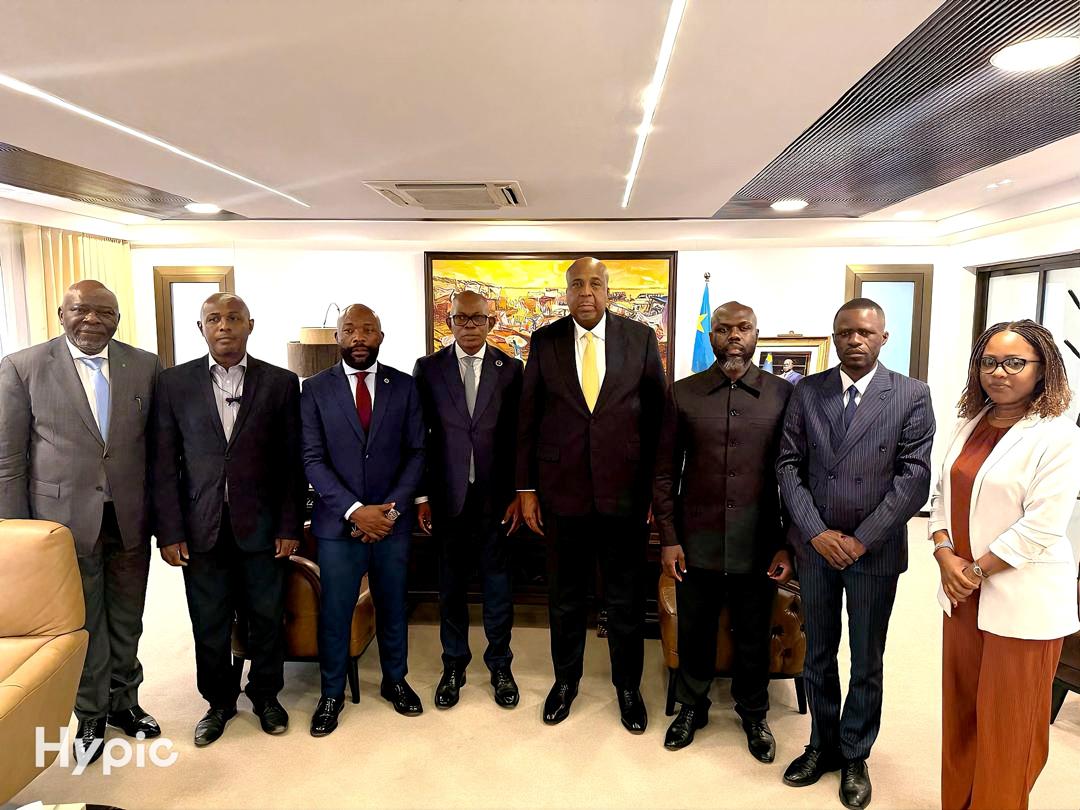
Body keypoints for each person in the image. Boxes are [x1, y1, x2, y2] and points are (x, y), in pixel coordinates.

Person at [776, 298, 934, 809]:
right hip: (816, 547)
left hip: (874, 549)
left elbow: (914, 479)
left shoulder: (910, 394)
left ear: (884, 337)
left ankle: (855, 753)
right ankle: (822, 744)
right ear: (834, 337)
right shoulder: (808, 391)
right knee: (818, 653)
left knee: (867, 658)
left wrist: (862, 538)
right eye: (846, 332)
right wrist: (817, 532)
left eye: (866, 332)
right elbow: (788, 466)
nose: (855, 340)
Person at [0, 280, 161, 764]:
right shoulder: (23, 367)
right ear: (61, 313)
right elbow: (9, 459)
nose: (92, 319)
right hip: (61, 523)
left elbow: (157, 448)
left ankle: (125, 701)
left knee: (128, 616)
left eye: (104, 312)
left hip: (129, 517)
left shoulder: (145, 365)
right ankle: (90, 711)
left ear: (117, 319)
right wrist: (20, 534)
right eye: (81, 310)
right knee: (83, 621)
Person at [930, 320, 1080, 810]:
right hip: (961, 598)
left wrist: (974, 571)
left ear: (1042, 369)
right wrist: (943, 553)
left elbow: (1042, 526)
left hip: (1020, 601)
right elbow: (941, 497)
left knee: (1011, 726)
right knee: (963, 715)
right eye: (989, 362)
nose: (999, 372)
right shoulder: (969, 422)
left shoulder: (1058, 435)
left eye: (1015, 363)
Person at [517, 257, 666, 732]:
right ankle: (566, 682)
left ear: (607, 291)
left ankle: (628, 687)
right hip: (561, 494)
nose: (586, 292)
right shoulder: (544, 341)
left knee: (625, 597)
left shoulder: (640, 338)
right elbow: (528, 417)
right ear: (566, 292)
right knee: (565, 597)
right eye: (577, 284)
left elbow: (658, 419)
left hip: (625, 493)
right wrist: (526, 488)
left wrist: (656, 491)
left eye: (595, 283)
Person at [154, 293, 304, 746]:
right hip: (201, 528)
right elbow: (164, 464)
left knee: (266, 617)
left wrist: (290, 525)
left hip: (263, 526)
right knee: (209, 622)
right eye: (214, 319)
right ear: (201, 328)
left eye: (234, 318)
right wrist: (170, 531)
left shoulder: (281, 382)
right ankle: (219, 702)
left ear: (249, 325)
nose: (224, 326)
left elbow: (291, 462)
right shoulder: (173, 383)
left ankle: (266, 695)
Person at [653, 301, 795, 758]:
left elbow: (795, 476)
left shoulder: (782, 395)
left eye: (743, 328)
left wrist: (788, 544)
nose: (734, 336)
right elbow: (664, 472)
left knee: (753, 632)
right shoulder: (683, 393)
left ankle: (754, 713)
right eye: (723, 329)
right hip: (697, 539)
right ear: (710, 336)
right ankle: (691, 707)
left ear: (756, 335)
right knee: (695, 629)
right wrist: (670, 538)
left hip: (759, 539)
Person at [301, 303, 425, 735]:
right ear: (337, 337)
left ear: (380, 337)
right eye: (350, 329)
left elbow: (417, 453)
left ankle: (396, 681)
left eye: (368, 329)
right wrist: (356, 511)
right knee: (335, 612)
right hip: (339, 527)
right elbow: (312, 460)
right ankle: (331, 693)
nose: (358, 337)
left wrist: (389, 512)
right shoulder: (314, 389)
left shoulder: (405, 386)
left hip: (392, 524)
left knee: (392, 606)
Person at [413, 291, 524, 709]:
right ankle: (454, 665)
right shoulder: (428, 369)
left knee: (498, 586)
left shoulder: (511, 370)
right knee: (451, 587)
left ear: (491, 323)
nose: (470, 326)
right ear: (450, 322)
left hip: (496, 499)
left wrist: (519, 494)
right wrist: (422, 496)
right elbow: (418, 437)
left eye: (478, 319)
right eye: (462, 318)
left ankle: (500, 665)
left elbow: (519, 437)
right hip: (447, 498)